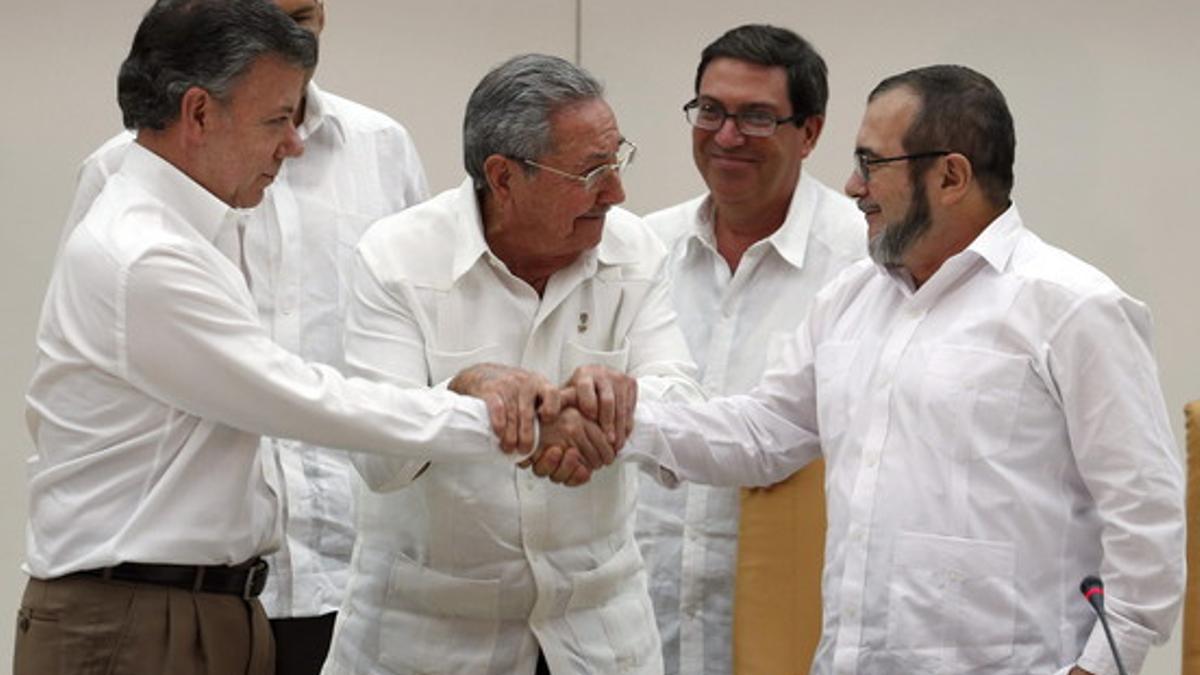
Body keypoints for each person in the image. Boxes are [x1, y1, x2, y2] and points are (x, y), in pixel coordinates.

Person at [16, 4, 577, 674]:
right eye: (277, 119)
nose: (295, 143)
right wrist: (514, 422)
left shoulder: (195, 223)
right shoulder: (146, 252)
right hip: (140, 617)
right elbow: (301, 397)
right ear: (198, 113)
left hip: (227, 597)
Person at [620, 64, 1185, 674]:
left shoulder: (1073, 308)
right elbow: (758, 434)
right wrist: (617, 421)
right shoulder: (849, 301)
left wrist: (1098, 668)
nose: (852, 185)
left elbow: (1145, 518)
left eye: (871, 163)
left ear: (950, 175)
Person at [58, 1, 430, 671]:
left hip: (350, 577)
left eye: (306, 12)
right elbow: (101, 389)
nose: (297, 30)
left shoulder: (382, 148)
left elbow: (420, 337)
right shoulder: (127, 182)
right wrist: (493, 417)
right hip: (170, 588)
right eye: (274, 14)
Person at [322, 54, 704, 675]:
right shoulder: (397, 257)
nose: (618, 192)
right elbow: (378, 456)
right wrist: (465, 393)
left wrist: (612, 407)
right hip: (429, 638)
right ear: (503, 177)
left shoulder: (634, 249)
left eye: (618, 159)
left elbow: (686, 409)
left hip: (597, 635)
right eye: (592, 171)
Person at [634, 25, 863, 675]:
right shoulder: (640, 250)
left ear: (810, 132)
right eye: (711, 110)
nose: (726, 135)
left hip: (794, 633)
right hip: (647, 628)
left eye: (757, 117)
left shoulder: (865, 264)